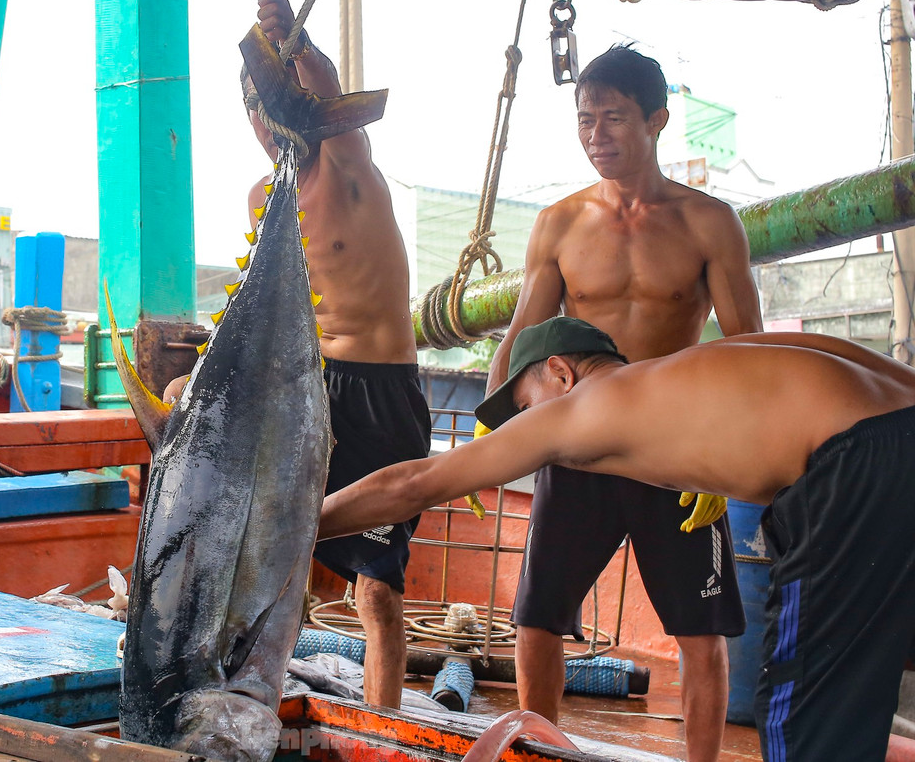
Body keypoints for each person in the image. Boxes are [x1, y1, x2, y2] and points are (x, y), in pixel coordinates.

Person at [321, 316, 915, 761]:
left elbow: (414, 482)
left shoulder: (584, 404)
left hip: (851, 469)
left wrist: (302, 526)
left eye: (525, 405)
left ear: (560, 371)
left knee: (802, 717)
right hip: (893, 436)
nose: (529, 422)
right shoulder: (701, 365)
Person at [481, 45, 762, 760]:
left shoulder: (709, 223)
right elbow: (520, 341)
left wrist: (723, 464)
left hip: (674, 452)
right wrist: (488, 439)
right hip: (580, 442)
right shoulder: (561, 224)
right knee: (537, 621)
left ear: (657, 120)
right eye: (585, 120)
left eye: (614, 118)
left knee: (700, 636)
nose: (597, 133)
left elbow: (747, 352)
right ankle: (538, 752)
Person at [167, 0, 429, 709]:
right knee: (278, 568)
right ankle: (258, 705)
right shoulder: (262, 197)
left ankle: (382, 731)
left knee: (376, 589)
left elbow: (336, 101)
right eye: (255, 103)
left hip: (381, 397)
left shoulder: (350, 166)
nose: (267, 115)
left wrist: (297, 44)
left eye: (276, 96)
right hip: (304, 396)